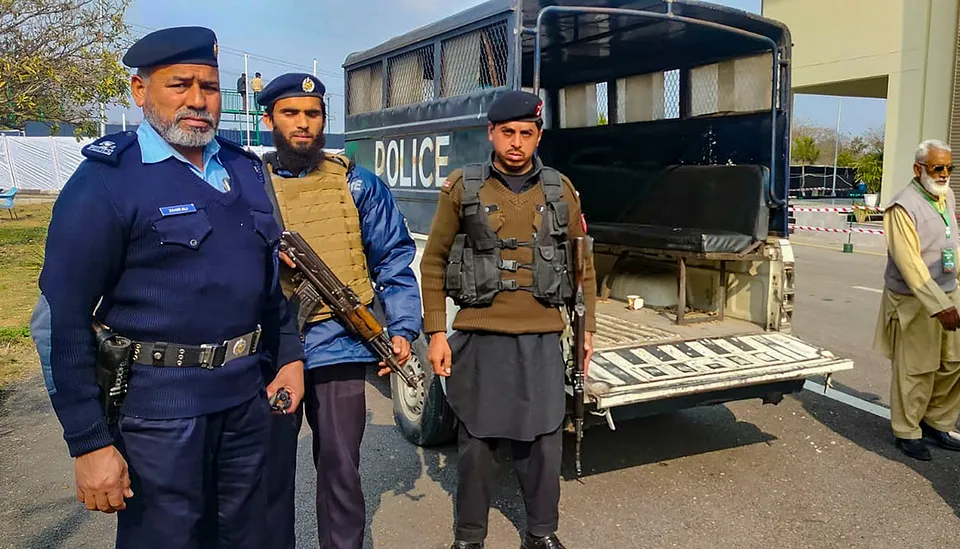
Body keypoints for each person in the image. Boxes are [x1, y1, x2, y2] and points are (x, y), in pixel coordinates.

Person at [29, 26, 305, 548]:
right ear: (139, 91)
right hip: (158, 416)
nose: (198, 101)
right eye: (180, 85)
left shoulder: (244, 171)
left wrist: (289, 356)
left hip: (248, 403)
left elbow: (270, 285)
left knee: (259, 537)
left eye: (210, 86)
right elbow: (61, 317)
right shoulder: (106, 181)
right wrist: (88, 443)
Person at [419, 90, 597, 549]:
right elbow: (434, 262)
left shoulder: (560, 190)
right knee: (477, 443)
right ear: (491, 134)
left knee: (543, 442)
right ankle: (469, 537)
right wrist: (437, 333)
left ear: (538, 136)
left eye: (526, 133)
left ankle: (541, 534)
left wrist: (587, 333)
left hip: (541, 338)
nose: (517, 142)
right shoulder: (464, 187)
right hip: (480, 336)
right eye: (508, 133)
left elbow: (583, 268)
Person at [257, 73, 422, 549]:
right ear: (269, 119)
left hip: (342, 346)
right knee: (269, 475)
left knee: (341, 472)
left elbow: (392, 258)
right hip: (272, 352)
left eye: (313, 114)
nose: (303, 124)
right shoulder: (250, 188)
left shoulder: (357, 184)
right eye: (291, 114)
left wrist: (403, 327)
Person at [875, 139, 960, 461]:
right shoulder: (902, 206)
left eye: (949, 168)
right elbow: (910, 264)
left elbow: (952, 245)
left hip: (948, 290)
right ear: (918, 168)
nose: (944, 174)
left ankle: (937, 422)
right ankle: (907, 431)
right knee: (917, 369)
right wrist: (940, 306)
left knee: (953, 364)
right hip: (914, 299)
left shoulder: (945, 196)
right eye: (938, 167)